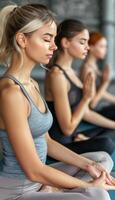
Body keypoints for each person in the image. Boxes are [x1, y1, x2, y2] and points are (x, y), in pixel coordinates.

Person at [0, 4, 114, 200]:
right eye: (46, 39)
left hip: (39, 182)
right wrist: (87, 185)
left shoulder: (33, 84)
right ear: (22, 39)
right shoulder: (11, 93)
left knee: (101, 160)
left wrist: (88, 166)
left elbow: (47, 142)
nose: (54, 46)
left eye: (54, 39)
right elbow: (34, 170)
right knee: (97, 195)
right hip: (18, 191)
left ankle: (55, 189)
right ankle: (59, 189)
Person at [45, 19, 115, 155]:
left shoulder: (72, 72)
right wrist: (86, 99)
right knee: (106, 143)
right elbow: (67, 129)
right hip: (63, 146)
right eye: (82, 42)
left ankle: (85, 138)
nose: (87, 47)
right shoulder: (56, 75)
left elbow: (86, 113)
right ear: (65, 43)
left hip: (74, 136)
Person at [80, 31, 115, 109]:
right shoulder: (88, 69)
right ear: (91, 47)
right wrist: (105, 82)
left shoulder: (94, 66)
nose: (105, 50)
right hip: (95, 111)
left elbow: (100, 92)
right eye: (102, 46)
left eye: (106, 47)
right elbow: (92, 104)